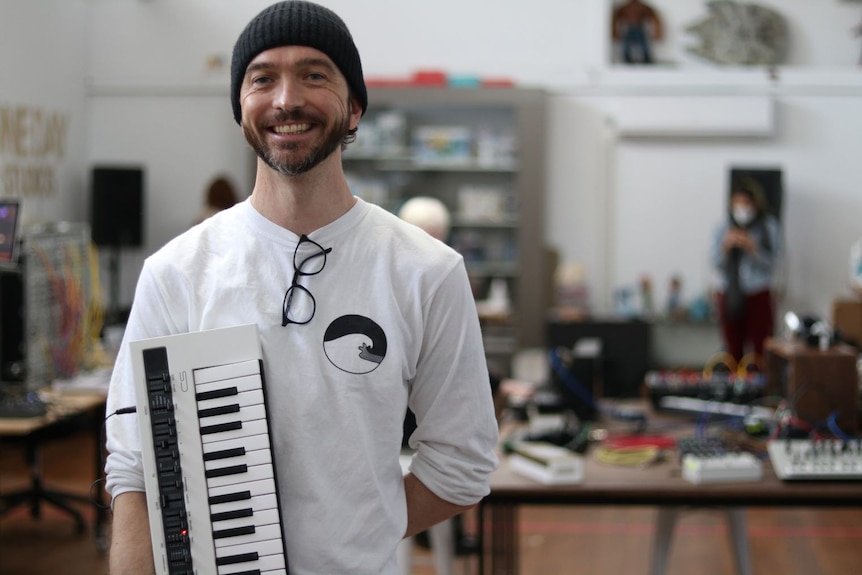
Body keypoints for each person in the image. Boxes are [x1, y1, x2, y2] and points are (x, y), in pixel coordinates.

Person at [103, 2, 500, 574]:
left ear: (355, 107)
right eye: (262, 78)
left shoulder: (426, 270)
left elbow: (462, 464)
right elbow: (137, 466)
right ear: (240, 109)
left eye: (315, 75)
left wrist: (350, 535)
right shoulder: (177, 272)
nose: (287, 99)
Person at [710, 175, 781, 366]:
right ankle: (736, 390)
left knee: (760, 347)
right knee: (732, 348)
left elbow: (773, 263)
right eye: (737, 203)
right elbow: (715, 263)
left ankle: (761, 389)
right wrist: (726, 247)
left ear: (755, 203)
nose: (742, 209)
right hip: (730, 293)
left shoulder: (768, 226)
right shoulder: (723, 226)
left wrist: (753, 248)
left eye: (745, 203)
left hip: (757, 292)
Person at [611, 0, 663, 64]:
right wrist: (615, 32)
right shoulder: (625, 7)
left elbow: (654, 17)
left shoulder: (642, 6)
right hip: (630, 29)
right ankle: (626, 57)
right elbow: (616, 18)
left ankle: (646, 58)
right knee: (626, 44)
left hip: (639, 29)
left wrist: (657, 31)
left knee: (643, 44)